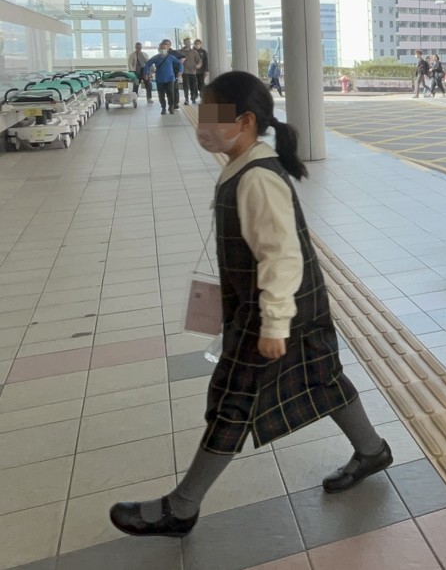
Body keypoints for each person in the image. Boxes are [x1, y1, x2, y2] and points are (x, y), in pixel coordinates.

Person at [109, 71, 392, 538]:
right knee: (322, 379)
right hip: (282, 307)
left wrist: (275, 324)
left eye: (211, 111)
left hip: (276, 312)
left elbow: (280, 256)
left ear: (242, 121)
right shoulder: (244, 166)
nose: (202, 120)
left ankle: (181, 508)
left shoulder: (258, 178)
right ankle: (372, 450)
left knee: (231, 403)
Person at [144, 40, 184, 115]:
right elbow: (148, 64)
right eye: (161, 48)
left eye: (164, 48)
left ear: (167, 49)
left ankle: (171, 107)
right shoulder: (156, 57)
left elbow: (180, 64)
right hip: (160, 79)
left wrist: (180, 71)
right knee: (161, 95)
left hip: (170, 79)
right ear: (158, 49)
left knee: (171, 94)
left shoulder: (171, 57)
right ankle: (163, 107)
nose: (162, 50)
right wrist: (146, 73)